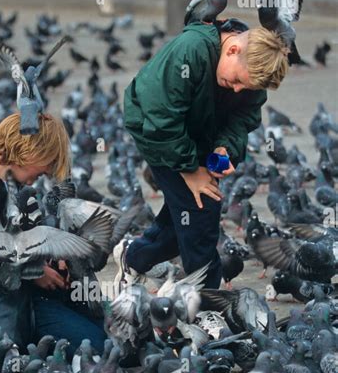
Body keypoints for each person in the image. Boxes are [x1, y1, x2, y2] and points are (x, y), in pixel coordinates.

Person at [119, 19, 290, 289]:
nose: (237, 89)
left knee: (187, 215)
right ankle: (206, 300)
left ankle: (133, 257)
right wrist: (190, 170)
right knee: (200, 213)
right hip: (156, 132)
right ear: (232, 49)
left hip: (199, 132)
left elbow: (244, 117)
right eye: (236, 81)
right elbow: (162, 120)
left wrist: (225, 147)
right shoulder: (190, 51)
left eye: (244, 87)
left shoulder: (251, 72)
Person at [0, 112, 106, 358]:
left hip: (38, 296)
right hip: (7, 304)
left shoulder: (23, 192)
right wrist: (34, 273)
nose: (49, 170)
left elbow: (33, 239)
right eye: (48, 161)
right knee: (97, 349)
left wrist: (56, 258)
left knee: (118, 336)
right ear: (32, 151)